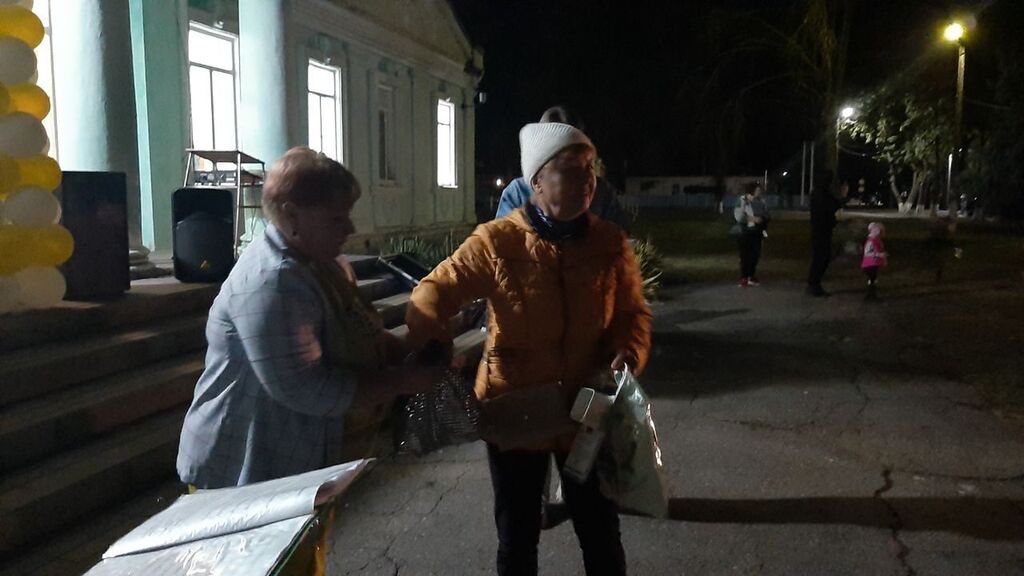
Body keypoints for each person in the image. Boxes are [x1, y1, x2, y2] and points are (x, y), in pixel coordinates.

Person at [406, 122, 652, 576]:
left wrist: (629, 351)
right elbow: (434, 290)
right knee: (517, 538)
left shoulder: (610, 243)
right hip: (515, 409)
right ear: (536, 180)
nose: (586, 180)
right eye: (570, 169)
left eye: (590, 168)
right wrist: (432, 335)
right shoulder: (497, 241)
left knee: (600, 531)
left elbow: (633, 314)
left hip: (587, 409)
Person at [177, 147, 438, 491]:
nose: (350, 228)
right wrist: (402, 381)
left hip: (290, 466)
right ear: (292, 215)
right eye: (336, 218)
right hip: (242, 476)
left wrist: (404, 351)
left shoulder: (316, 262)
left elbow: (353, 327)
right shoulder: (272, 281)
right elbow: (307, 388)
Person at [495, 105, 631, 232]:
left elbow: (621, 238)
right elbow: (501, 240)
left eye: (588, 165)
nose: (584, 178)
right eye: (569, 167)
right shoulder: (517, 192)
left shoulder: (602, 193)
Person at [807, 177, 848, 297]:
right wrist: (842, 196)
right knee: (821, 258)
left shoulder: (819, 193)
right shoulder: (821, 194)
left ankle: (813, 283)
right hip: (821, 230)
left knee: (822, 257)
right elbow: (833, 205)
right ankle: (814, 284)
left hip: (821, 230)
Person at [734, 183, 770, 287]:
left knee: (755, 255)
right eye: (757, 190)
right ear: (751, 190)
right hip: (744, 232)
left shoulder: (761, 201)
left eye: (759, 190)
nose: (759, 192)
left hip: (757, 231)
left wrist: (763, 219)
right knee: (745, 255)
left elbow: (767, 214)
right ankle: (744, 277)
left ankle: (751, 276)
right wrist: (753, 219)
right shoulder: (742, 200)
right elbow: (738, 216)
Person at [861, 221, 888, 302]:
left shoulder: (876, 240)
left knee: (873, 280)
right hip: (870, 264)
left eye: (879, 230)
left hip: (873, 264)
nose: (878, 231)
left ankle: (871, 295)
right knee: (872, 280)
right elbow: (867, 253)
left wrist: (883, 258)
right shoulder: (871, 241)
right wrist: (879, 255)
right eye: (876, 230)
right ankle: (871, 296)